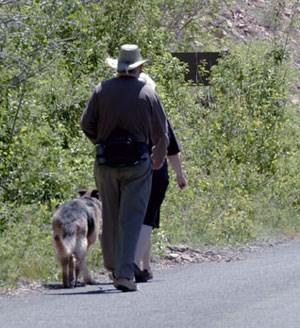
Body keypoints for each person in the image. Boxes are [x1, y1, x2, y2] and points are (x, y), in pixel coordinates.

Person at [80, 44, 169, 292]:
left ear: (118, 67)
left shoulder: (101, 90)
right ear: (139, 68)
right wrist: (158, 158)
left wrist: (101, 141)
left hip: (106, 162)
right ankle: (125, 274)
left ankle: (112, 266)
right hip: (138, 162)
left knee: (109, 214)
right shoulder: (148, 93)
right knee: (131, 217)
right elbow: (161, 133)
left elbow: (86, 123)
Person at [134, 73, 187, 282]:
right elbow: (171, 148)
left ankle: (143, 265)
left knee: (141, 219)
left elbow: (170, 147)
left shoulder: (128, 115)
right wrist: (179, 175)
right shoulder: (158, 114)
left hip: (134, 169)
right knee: (148, 219)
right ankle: (140, 265)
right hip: (155, 171)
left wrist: (179, 174)